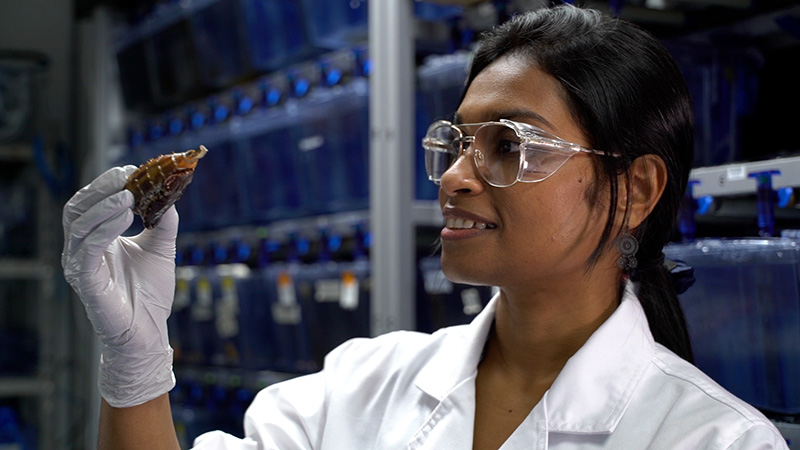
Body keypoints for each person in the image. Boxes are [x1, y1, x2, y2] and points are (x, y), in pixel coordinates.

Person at [62, 5, 788, 450]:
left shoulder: (712, 440)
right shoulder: (360, 386)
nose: (454, 177)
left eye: (510, 145)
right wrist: (136, 364)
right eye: (458, 143)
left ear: (635, 190)